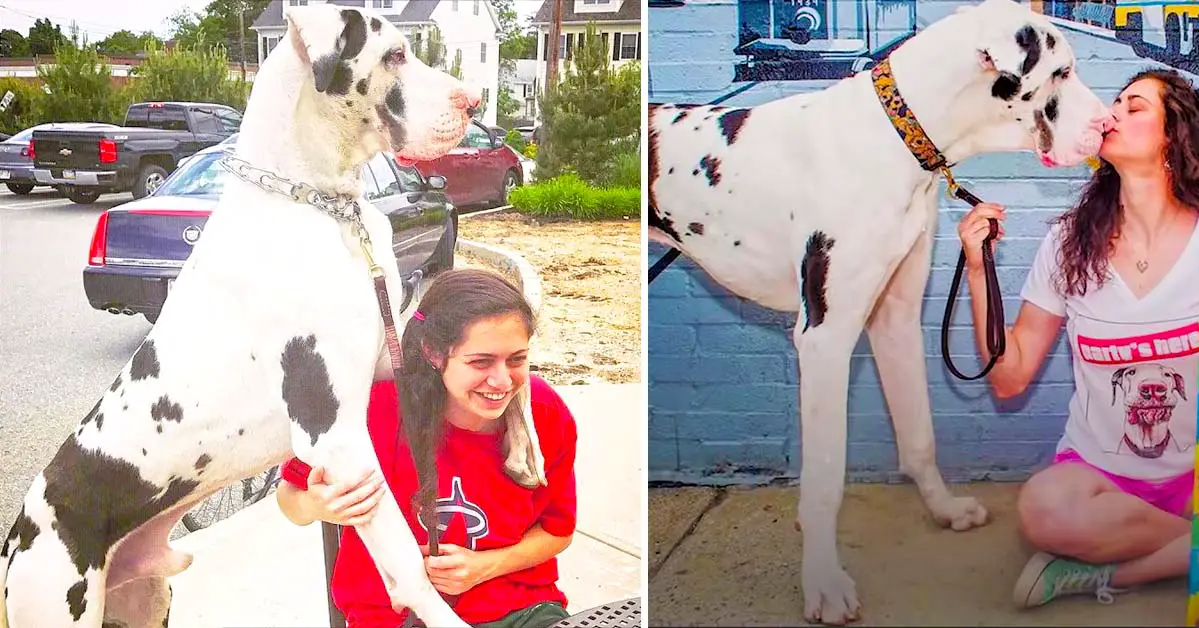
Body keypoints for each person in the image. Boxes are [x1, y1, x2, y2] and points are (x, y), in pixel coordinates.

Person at [956, 67, 1199, 610]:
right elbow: (1009, 377)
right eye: (1115, 103)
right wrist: (979, 272)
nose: (1112, 113)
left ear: (1173, 135)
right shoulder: (1070, 243)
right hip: (1101, 480)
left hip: (1194, 477)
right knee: (1042, 509)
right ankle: (1183, 551)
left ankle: (1106, 571)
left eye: (1135, 107)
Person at [275, 268, 579, 628]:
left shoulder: (542, 413)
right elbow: (290, 497)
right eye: (480, 361)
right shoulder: (375, 412)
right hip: (393, 615)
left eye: (516, 359)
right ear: (434, 353)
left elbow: (558, 530)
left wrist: (483, 568)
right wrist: (316, 504)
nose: (502, 381)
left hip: (521, 609)